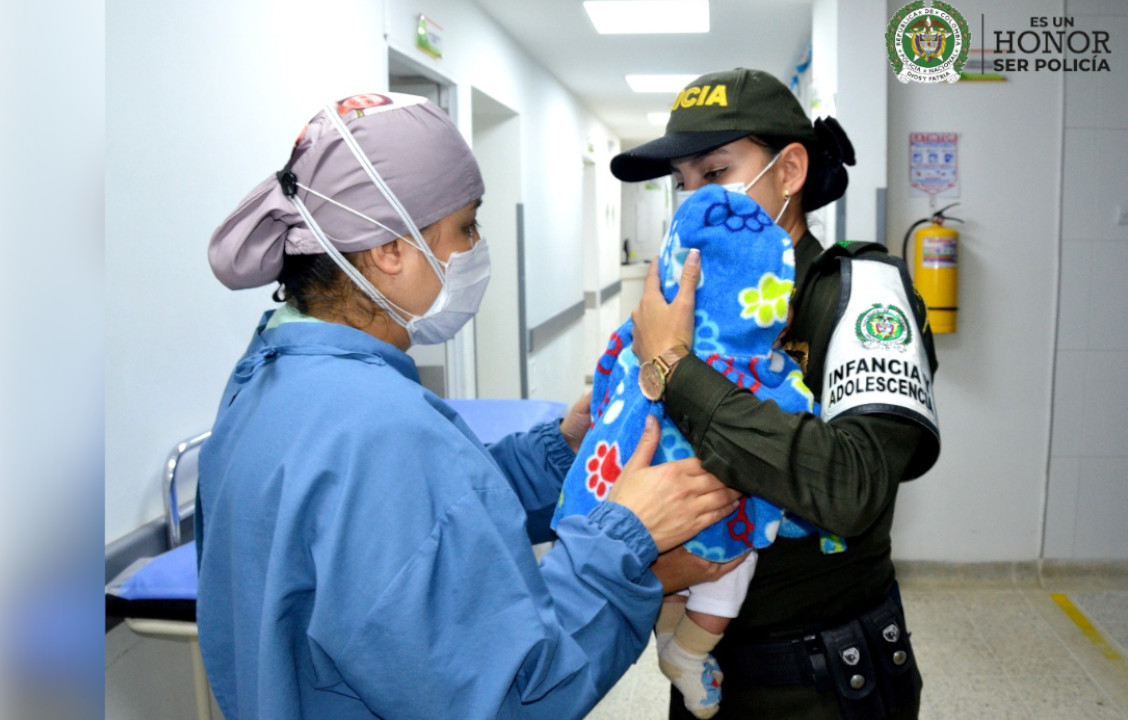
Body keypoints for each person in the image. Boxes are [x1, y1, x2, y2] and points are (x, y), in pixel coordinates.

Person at [197, 91, 742, 720]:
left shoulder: (270, 377)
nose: (476, 245)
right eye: (467, 226)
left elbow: (416, 533)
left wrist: (563, 451)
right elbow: (512, 691)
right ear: (389, 250)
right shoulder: (382, 429)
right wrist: (625, 542)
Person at [611, 68, 942, 720]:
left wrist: (675, 369)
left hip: (821, 679)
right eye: (682, 181)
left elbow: (851, 486)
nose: (692, 199)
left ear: (789, 171)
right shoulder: (693, 306)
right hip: (705, 663)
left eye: (715, 173)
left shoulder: (860, 290)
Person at [551, 183, 844, 718]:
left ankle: (668, 634)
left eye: (712, 168)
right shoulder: (762, 367)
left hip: (626, 490)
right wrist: (823, 525)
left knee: (671, 577)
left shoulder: (641, 332)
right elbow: (804, 440)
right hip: (707, 508)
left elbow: (603, 380)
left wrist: (587, 431)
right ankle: (687, 652)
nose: (697, 181)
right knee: (733, 564)